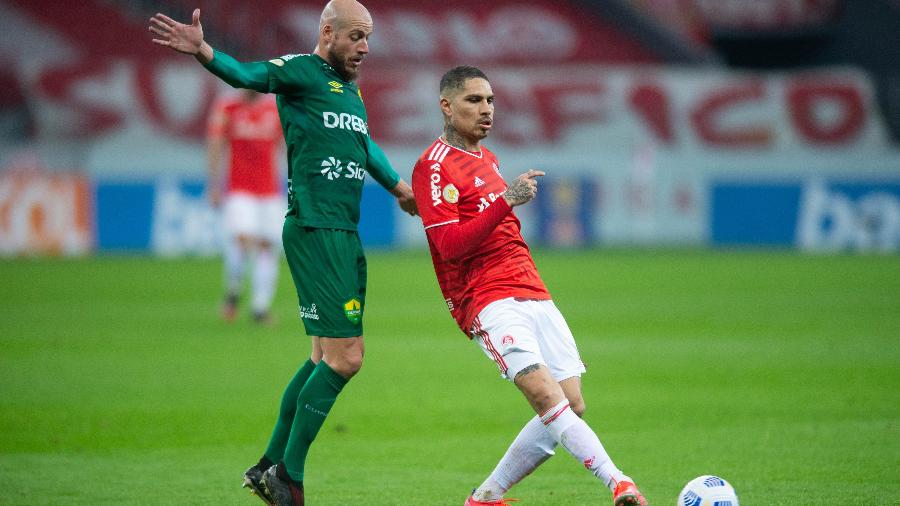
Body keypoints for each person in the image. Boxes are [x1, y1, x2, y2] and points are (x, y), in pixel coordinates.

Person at [149, 2, 417, 505]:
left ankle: (268, 464)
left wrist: (399, 187)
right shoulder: (299, 71)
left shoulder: (348, 91)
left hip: (341, 230)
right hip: (317, 229)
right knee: (347, 359)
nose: (364, 47)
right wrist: (204, 51)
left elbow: (361, 142)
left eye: (369, 38)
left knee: (321, 356)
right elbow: (245, 74)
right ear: (328, 32)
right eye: (356, 36)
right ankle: (288, 478)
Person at [410, 65, 648, 506]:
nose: (486, 110)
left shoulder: (489, 159)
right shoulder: (433, 166)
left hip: (532, 288)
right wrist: (506, 201)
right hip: (486, 296)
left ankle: (486, 497)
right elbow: (449, 246)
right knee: (543, 393)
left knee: (571, 403)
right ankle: (619, 483)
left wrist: (503, 203)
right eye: (474, 100)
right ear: (446, 105)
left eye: (491, 101)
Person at [207, 88, 283, 325]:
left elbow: (289, 146)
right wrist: (214, 184)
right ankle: (234, 288)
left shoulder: (275, 109)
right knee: (243, 239)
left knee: (268, 246)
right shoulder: (227, 108)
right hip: (240, 190)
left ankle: (260, 307)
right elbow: (216, 144)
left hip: (270, 191)